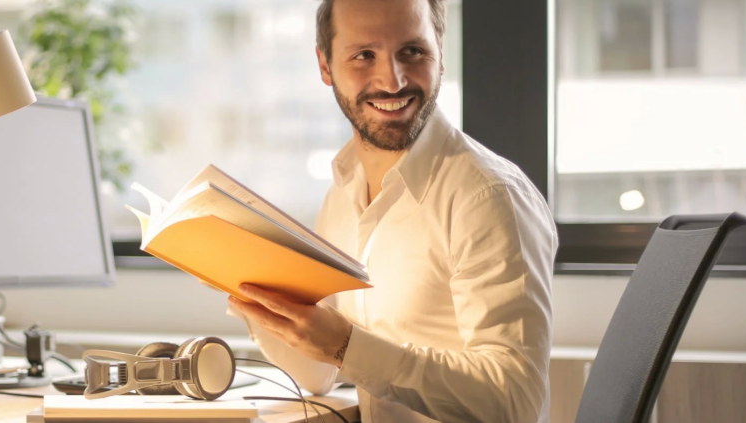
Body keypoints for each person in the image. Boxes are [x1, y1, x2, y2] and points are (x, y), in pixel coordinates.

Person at [227, 0, 557, 421]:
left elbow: (515, 401)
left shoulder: (489, 197)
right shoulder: (342, 195)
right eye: (364, 55)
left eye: (412, 52)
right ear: (325, 65)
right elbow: (319, 374)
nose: (392, 79)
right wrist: (251, 291)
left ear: (439, 51)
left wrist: (347, 345)